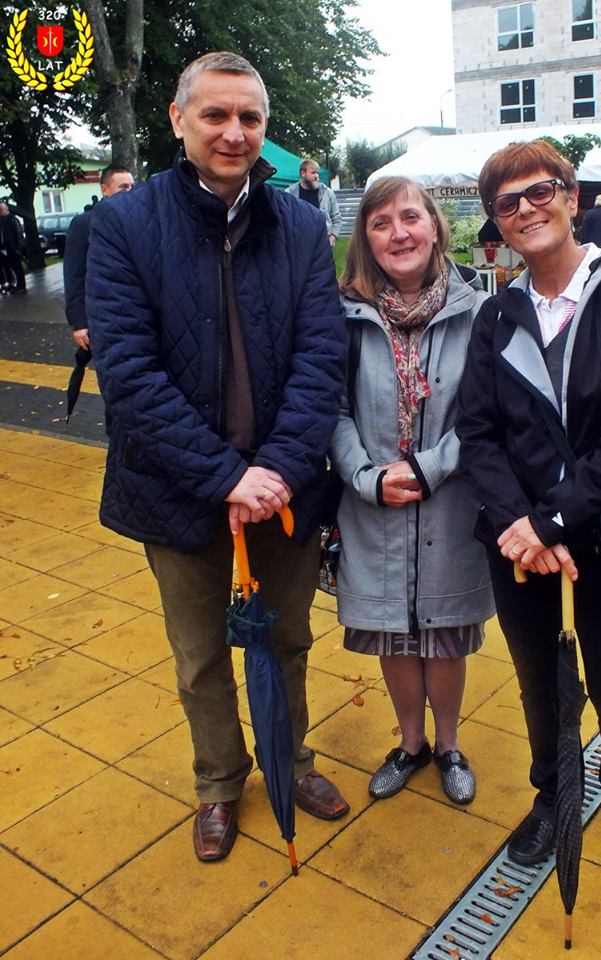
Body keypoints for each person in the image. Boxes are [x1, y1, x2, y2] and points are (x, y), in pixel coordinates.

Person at [86, 52, 349, 863]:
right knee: (201, 656)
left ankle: (290, 761)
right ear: (178, 120)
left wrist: (273, 472)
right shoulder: (125, 225)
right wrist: (225, 475)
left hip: (282, 488)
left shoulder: (298, 226)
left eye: (250, 118)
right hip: (175, 487)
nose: (234, 132)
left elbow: (321, 360)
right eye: (216, 114)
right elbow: (128, 373)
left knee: (289, 641)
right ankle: (219, 783)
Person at [456, 140, 601, 867]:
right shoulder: (496, 316)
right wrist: (518, 525)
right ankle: (553, 796)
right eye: (507, 202)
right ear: (497, 222)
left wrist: (551, 520)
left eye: (540, 191)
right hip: (520, 544)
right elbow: (478, 432)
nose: (526, 208)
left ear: (571, 197)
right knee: (541, 689)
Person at [331, 176, 494, 805]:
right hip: (372, 503)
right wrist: (365, 476)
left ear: (434, 225)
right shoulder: (344, 316)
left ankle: (449, 745)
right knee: (393, 634)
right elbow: (330, 408)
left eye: (410, 217)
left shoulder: (478, 311)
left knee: (444, 633)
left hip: (450, 502)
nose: (398, 233)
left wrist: (430, 468)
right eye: (381, 223)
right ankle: (411, 743)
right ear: (366, 239)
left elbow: (486, 410)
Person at [64, 165, 135, 350]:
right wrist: (79, 322)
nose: (129, 192)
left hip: (136, 314)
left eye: (132, 186)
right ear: (105, 190)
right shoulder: (84, 224)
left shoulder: (139, 220)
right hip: (103, 316)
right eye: (123, 187)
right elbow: (74, 274)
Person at [285, 158, 341, 246]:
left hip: (322, 245)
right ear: (303, 173)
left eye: (317, 173)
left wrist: (332, 238)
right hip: (298, 246)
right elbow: (284, 220)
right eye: (313, 172)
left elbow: (336, 218)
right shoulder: (289, 193)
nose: (317, 176)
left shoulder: (327, 193)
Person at [0, 202, 27, 294]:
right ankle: (12, 284)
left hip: (13, 248)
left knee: (17, 268)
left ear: (5, 210)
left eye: (1, 210)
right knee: (9, 267)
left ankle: (21, 286)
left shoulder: (13, 220)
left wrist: (19, 249)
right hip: (5, 248)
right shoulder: (2, 220)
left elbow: (19, 235)